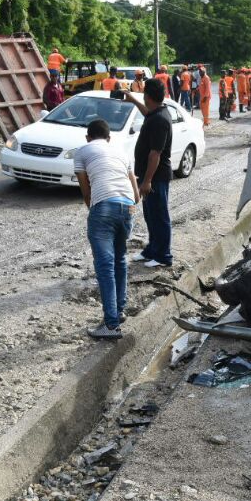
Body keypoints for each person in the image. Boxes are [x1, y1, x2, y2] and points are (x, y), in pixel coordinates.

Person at [74, 117, 140, 340]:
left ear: (88, 137)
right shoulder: (121, 152)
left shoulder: (82, 151)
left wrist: (97, 211)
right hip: (128, 206)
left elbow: (86, 191)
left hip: (104, 206)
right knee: (120, 259)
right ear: (109, 138)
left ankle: (110, 326)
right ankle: (118, 312)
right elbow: (137, 195)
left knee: (105, 266)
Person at [123, 78, 173, 268]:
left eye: (143, 95)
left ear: (149, 97)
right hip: (148, 176)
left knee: (160, 215)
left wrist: (147, 181)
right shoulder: (157, 112)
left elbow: (155, 154)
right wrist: (133, 101)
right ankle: (152, 250)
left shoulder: (160, 120)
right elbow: (147, 113)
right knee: (150, 215)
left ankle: (163, 256)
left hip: (156, 177)